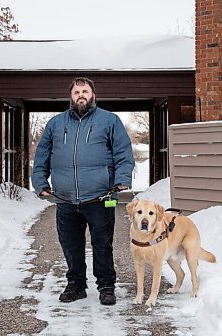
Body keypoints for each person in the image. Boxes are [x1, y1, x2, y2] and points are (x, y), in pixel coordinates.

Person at [31, 77, 135, 306]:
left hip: (100, 196)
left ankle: (106, 286)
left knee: (102, 244)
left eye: (85, 91)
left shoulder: (109, 121)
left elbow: (124, 154)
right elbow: (41, 157)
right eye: (76, 91)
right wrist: (40, 183)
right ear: (70, 96)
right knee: (70, 245)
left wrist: (122, 180)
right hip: (65, 198)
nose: (81, 95)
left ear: (93, 94)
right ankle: (76, 285)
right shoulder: (56, 124)